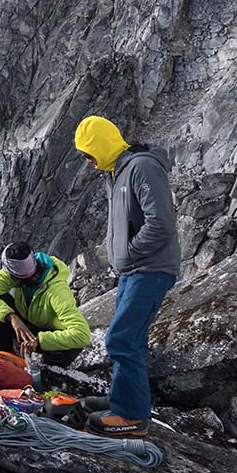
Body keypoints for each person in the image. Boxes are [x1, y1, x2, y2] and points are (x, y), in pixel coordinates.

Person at [75, 115, 180, 438]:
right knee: (130, 339)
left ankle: (132, 416)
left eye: (89, 154)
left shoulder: (141, 167)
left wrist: (130, 252)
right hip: (133, 270)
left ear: (101, 146)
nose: (88, 162)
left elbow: (161, 222)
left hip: (150, 269)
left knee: (121, 339)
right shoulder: (117, 172)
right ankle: (122, 399)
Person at [0, 242, 91, 367]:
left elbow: (82, 335)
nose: (10, 279)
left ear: (19, 278)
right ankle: (5, 359)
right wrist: (12, 317)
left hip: (51, 333)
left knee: (69, 350)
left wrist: (39, 340)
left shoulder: (57, 292)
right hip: (28, 324)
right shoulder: (20, 273)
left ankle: (46, 369)